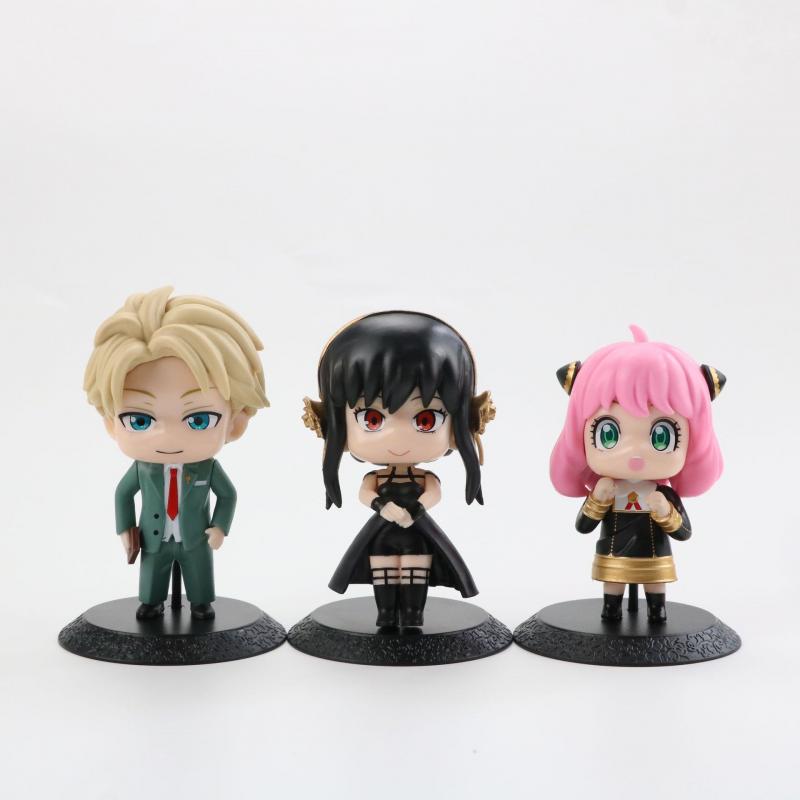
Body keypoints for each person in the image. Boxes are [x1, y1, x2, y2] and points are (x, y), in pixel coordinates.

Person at [84, 286, 268, 620]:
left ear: (236, 422)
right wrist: (125, 529)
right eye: (139, 420)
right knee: (153, 573)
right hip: (154, 539)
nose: (168, 436)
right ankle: (151, 602)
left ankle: (201, 602)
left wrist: (219, 528)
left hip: (196, 537)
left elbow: (228, 495)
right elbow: (123, 494)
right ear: (111, 423)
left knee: (198, 573)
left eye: (199, 419)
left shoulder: (207, 468)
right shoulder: (143, 469)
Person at [302, 311, 495, 628]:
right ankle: (386, 613)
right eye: (372, 419)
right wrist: (382, 506)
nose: (397, 438)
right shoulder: (376, 478)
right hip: (383, 534)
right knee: (385, 572)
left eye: (426, 420)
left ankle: (413, 613)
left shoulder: (424, 478)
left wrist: (416, 510)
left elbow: (434, 493)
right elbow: (365, 493)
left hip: (417, 533)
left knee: (415, 573)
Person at [549, 325, 725, 622]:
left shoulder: (663, 494)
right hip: (613, 554)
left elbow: (683, 532)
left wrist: (666, 512)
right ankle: (610, 610)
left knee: (655, 589)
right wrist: (597, 501)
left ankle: (657, 610)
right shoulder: (608, 488)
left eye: (661, 437)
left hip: (654, 556)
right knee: (613, 587)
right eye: (608, 434)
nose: (635, 454)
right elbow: (583, 526)